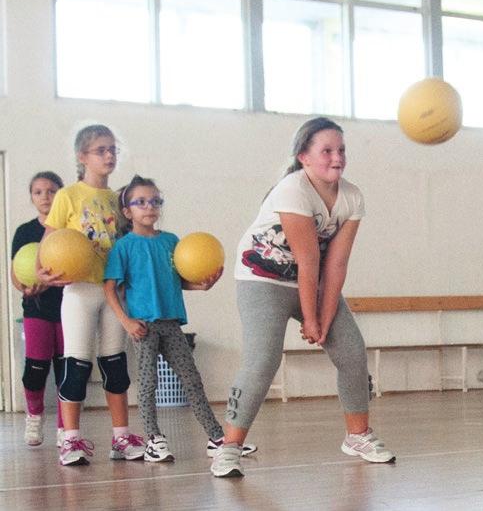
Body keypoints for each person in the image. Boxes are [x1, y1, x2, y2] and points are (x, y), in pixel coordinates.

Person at [211, 117, 396, 478]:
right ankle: (229, 447)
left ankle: (357, 435)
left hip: (311, 282)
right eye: (326, 151)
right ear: (304, 157)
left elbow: (336, 263)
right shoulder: (291, 189)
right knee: (263, 360)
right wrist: (310, 320)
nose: (337, 157)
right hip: (262, 280)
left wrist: (324, 321)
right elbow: (309, 258)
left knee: (352, 351)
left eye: (341, 150)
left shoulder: (352, 197)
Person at [103, 175, 257, 462]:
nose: (150, 207)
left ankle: (216, 437)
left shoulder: (171, 241)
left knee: (192, 379)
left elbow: (176, 280)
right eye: (141, 202)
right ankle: (153, 439)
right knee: (148, 384)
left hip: (172, 323)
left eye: (155, 201)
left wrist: (201, 285)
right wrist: (126, 321)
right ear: (128, 212)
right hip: (144, 326)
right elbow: (110, 288)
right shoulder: (123, 247)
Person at [37, 125, 145, 466]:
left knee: (115, 366)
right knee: (76, 365)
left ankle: (121, 437)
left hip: (113, 292)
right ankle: (70, 440)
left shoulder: (119, 200)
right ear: (82, 157)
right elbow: (51, 240)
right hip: (79, 291)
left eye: (112, 149)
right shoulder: (68, 196)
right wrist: (42, 268)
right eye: (101, 150)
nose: (109, 156)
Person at [11, 171, 65, 447]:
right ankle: (34, 416)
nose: (45, 196)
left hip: (69, 308)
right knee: (36, 367)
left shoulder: (71, 230)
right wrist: (25, 287)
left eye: (52, 191)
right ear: (32, 197)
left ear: (62, 195)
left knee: (67, 370)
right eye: (39, 192)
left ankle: (65, 426)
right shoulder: (25, 231)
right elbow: (16, 271)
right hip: (36, 308)